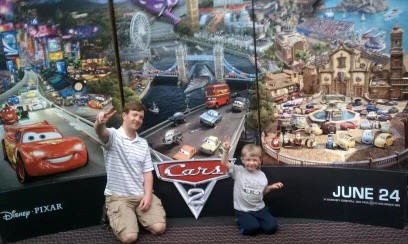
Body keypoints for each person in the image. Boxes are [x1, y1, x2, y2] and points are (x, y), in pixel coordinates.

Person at [94, 101, 166, 243]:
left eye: (141, 117)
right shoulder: (113, 136)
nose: (138, 119)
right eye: (134, 115)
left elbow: (147, 173)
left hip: (139, 195)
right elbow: (101, 132)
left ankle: (132, 217)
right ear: (124, 116)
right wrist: (99, 123)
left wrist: (147, 195)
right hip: (119, 197)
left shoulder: (143, 143)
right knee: (130, 238)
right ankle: (113, 212)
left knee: (159, 228)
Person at [221, 138, 283, 236]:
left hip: (259, 209)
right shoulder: (238, 171)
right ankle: (240, 221)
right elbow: (224, 163)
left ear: (259, 161)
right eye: (248, 160)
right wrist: (225, 150)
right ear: (243, 160)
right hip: (243, 211)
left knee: (272, 228)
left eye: (254, 160)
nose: (251, 163)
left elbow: (261, 193)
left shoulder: (262, 175)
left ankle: (258, 220)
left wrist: (270, 188)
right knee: (252, 229)